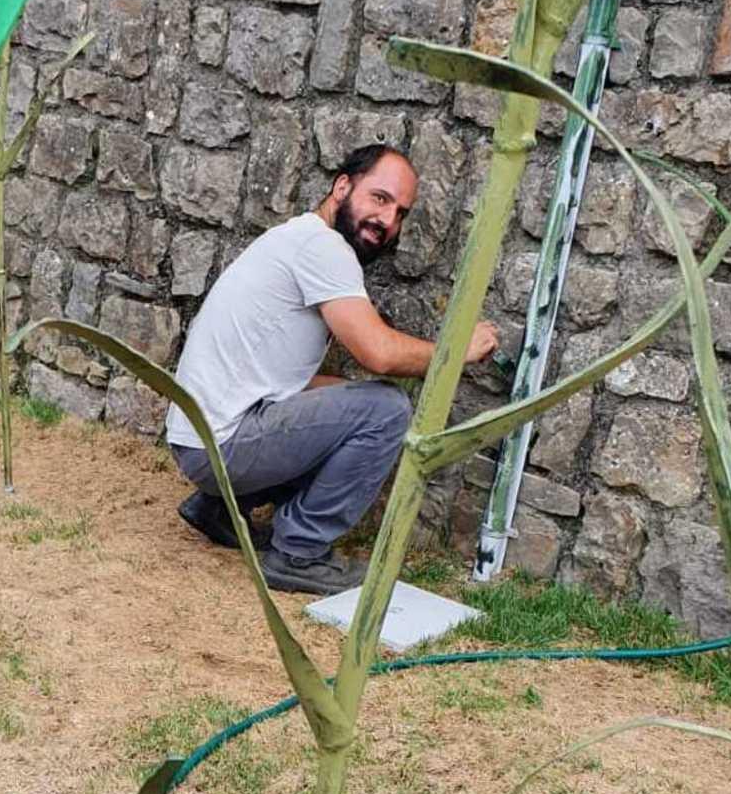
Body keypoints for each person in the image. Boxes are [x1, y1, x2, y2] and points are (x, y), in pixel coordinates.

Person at [166, 143, 498, 597]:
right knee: (385, 410)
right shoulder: (323, 249)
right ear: (342, 186)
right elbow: (378, 353)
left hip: (200, 440)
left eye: (400, 212)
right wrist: (456, 351)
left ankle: (219, 508)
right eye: (379, 199)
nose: (388, 221)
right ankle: (298, 553)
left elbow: (289, 382)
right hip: (219, 446)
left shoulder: (299, 239)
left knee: (348, 398)